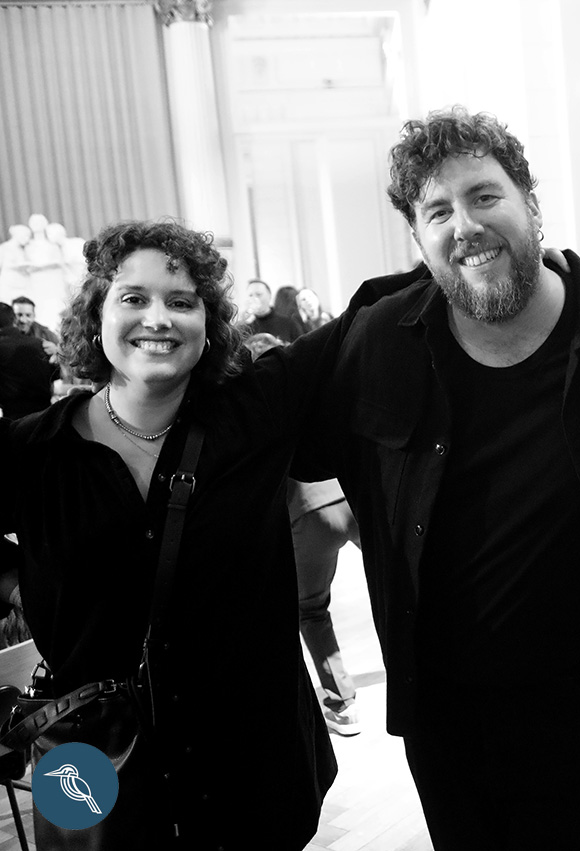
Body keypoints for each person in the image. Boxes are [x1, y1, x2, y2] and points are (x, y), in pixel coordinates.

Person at [276, 106, 580, 850]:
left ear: (531, 203)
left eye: (484, 196)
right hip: (441, 714)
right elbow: (268, 427)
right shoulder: (379, 340)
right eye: (438, 212)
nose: (465, 225)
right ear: (418, 238)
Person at [0, 221, 336, 847]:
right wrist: (16, 585)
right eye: (133, 297)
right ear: (95, 314)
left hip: (247, 767)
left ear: (209, 325)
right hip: (90, 765)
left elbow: (368, 322)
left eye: (182, 302)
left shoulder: (254, 416)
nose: (158, 318)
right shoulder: (33, 452)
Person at [245, 331, 363, 737]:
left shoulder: (255, 405)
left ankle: (343, 704)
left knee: (311, 611)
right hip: (351, 496)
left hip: (308, 514)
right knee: (401, 586)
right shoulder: (310, 387)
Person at [0, 301, 57, 417]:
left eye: (28, 315)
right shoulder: (39, 343)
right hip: (44, 414)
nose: (23, 320)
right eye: (19, 315)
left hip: (16, 416)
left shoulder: (47, 337)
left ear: (34, 316)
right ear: (13, 318)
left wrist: (58, 352)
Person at [242, 277, 305, 342]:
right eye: (250, 295)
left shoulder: (288, 323)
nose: (254, 299)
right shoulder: (245, 329)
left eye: (259, 294)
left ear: (269, 295)